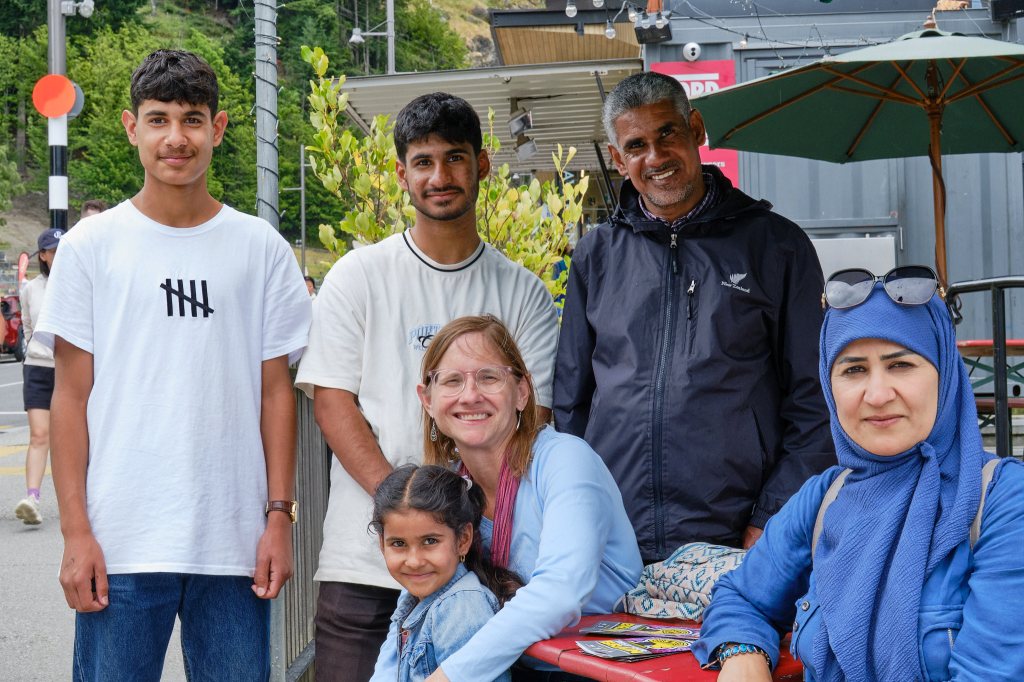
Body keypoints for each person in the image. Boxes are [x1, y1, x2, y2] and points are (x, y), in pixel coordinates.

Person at [33, 49, 311, 681]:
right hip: (121, 541)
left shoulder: (260, 248)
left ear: (218, 128)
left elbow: (276, 394)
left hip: (234, 543)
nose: (176, 138)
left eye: (192, 119)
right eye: (158, 119)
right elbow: (70, 397)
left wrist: (279, 519)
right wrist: (76, 532)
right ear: (132, 128)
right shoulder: (90, 247)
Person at [295, 93, 558, 682]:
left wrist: (460, 527)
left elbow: (533, 417)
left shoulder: (523, 293)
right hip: (364, 563)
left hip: (480, 565)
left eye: (455, 158)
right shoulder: (358, 276)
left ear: (482, 164)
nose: (440, 177)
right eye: (423, 162)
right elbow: (333, 403)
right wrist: (405, 513)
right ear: (401, 173)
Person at [553, 71, 834, 562]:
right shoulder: (595, 255)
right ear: (618, 160)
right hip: (616, 539)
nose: (656, 157)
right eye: (636, 146)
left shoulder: (776, 246)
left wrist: (774, 514)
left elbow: (816, 400)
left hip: (738, 538)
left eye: (668, 133)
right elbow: (570, 404)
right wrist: (580, 512)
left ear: (696, 129)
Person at [693, 267, 1024, 681]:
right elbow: (740, 597)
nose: (878, 395)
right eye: (853, 370)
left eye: (900, 364)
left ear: (945, 373)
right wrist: (744, 656)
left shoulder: (1003, 501)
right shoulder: (823, 498)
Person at [400, 314, 642, 682]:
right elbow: (413, 604)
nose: (470, 395)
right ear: (428, 400)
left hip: (597, 670)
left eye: (489, 377)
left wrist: (447, 677)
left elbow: (560, 592)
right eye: (452, 380)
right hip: (502, 666)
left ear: (522, 392)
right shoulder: (446, 483)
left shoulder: (565, 460)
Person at [369, 464, 515, 682]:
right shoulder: (412, 598)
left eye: (430, 541)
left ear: (463, 539)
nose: (414, 561)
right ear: (382, 543)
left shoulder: (461, 609)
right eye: (398, 543)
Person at [13, 228, 63, 525]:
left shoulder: (80, 284)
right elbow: (29, 327)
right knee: (39, 435)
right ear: (43, 255)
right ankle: (32, 498)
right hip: (38, 368)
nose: (59, 256)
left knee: (72, 439)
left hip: (69, 369)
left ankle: (82, 502)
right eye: (53, 251)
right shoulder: (31, 289)